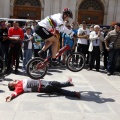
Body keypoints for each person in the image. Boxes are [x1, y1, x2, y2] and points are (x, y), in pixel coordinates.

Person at [6, 78, 80, 102]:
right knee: (58, 90)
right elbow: (15, 93)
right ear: (12, 85)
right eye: (11, 82)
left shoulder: (19, 81)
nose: (13, 81)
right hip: (42, 87)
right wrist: (10, 97)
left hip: (42, 81)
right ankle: (74, 94)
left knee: (56, 83)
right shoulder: (18, 87)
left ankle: (68, 83)